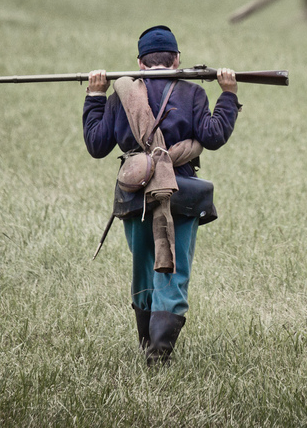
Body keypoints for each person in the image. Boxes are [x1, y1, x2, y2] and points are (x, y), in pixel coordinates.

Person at [82, 25, 241, 365]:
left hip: (135, 195)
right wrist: (228, 94)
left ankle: (147, 343)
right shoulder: (193, 94)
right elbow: (213, 136)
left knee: (143, 268)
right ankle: (159, 352)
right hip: (181, 191)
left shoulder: (118, 96)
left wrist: (95, 95)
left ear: (139, 63)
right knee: (173, 269)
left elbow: (97, 145)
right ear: (177, 59)